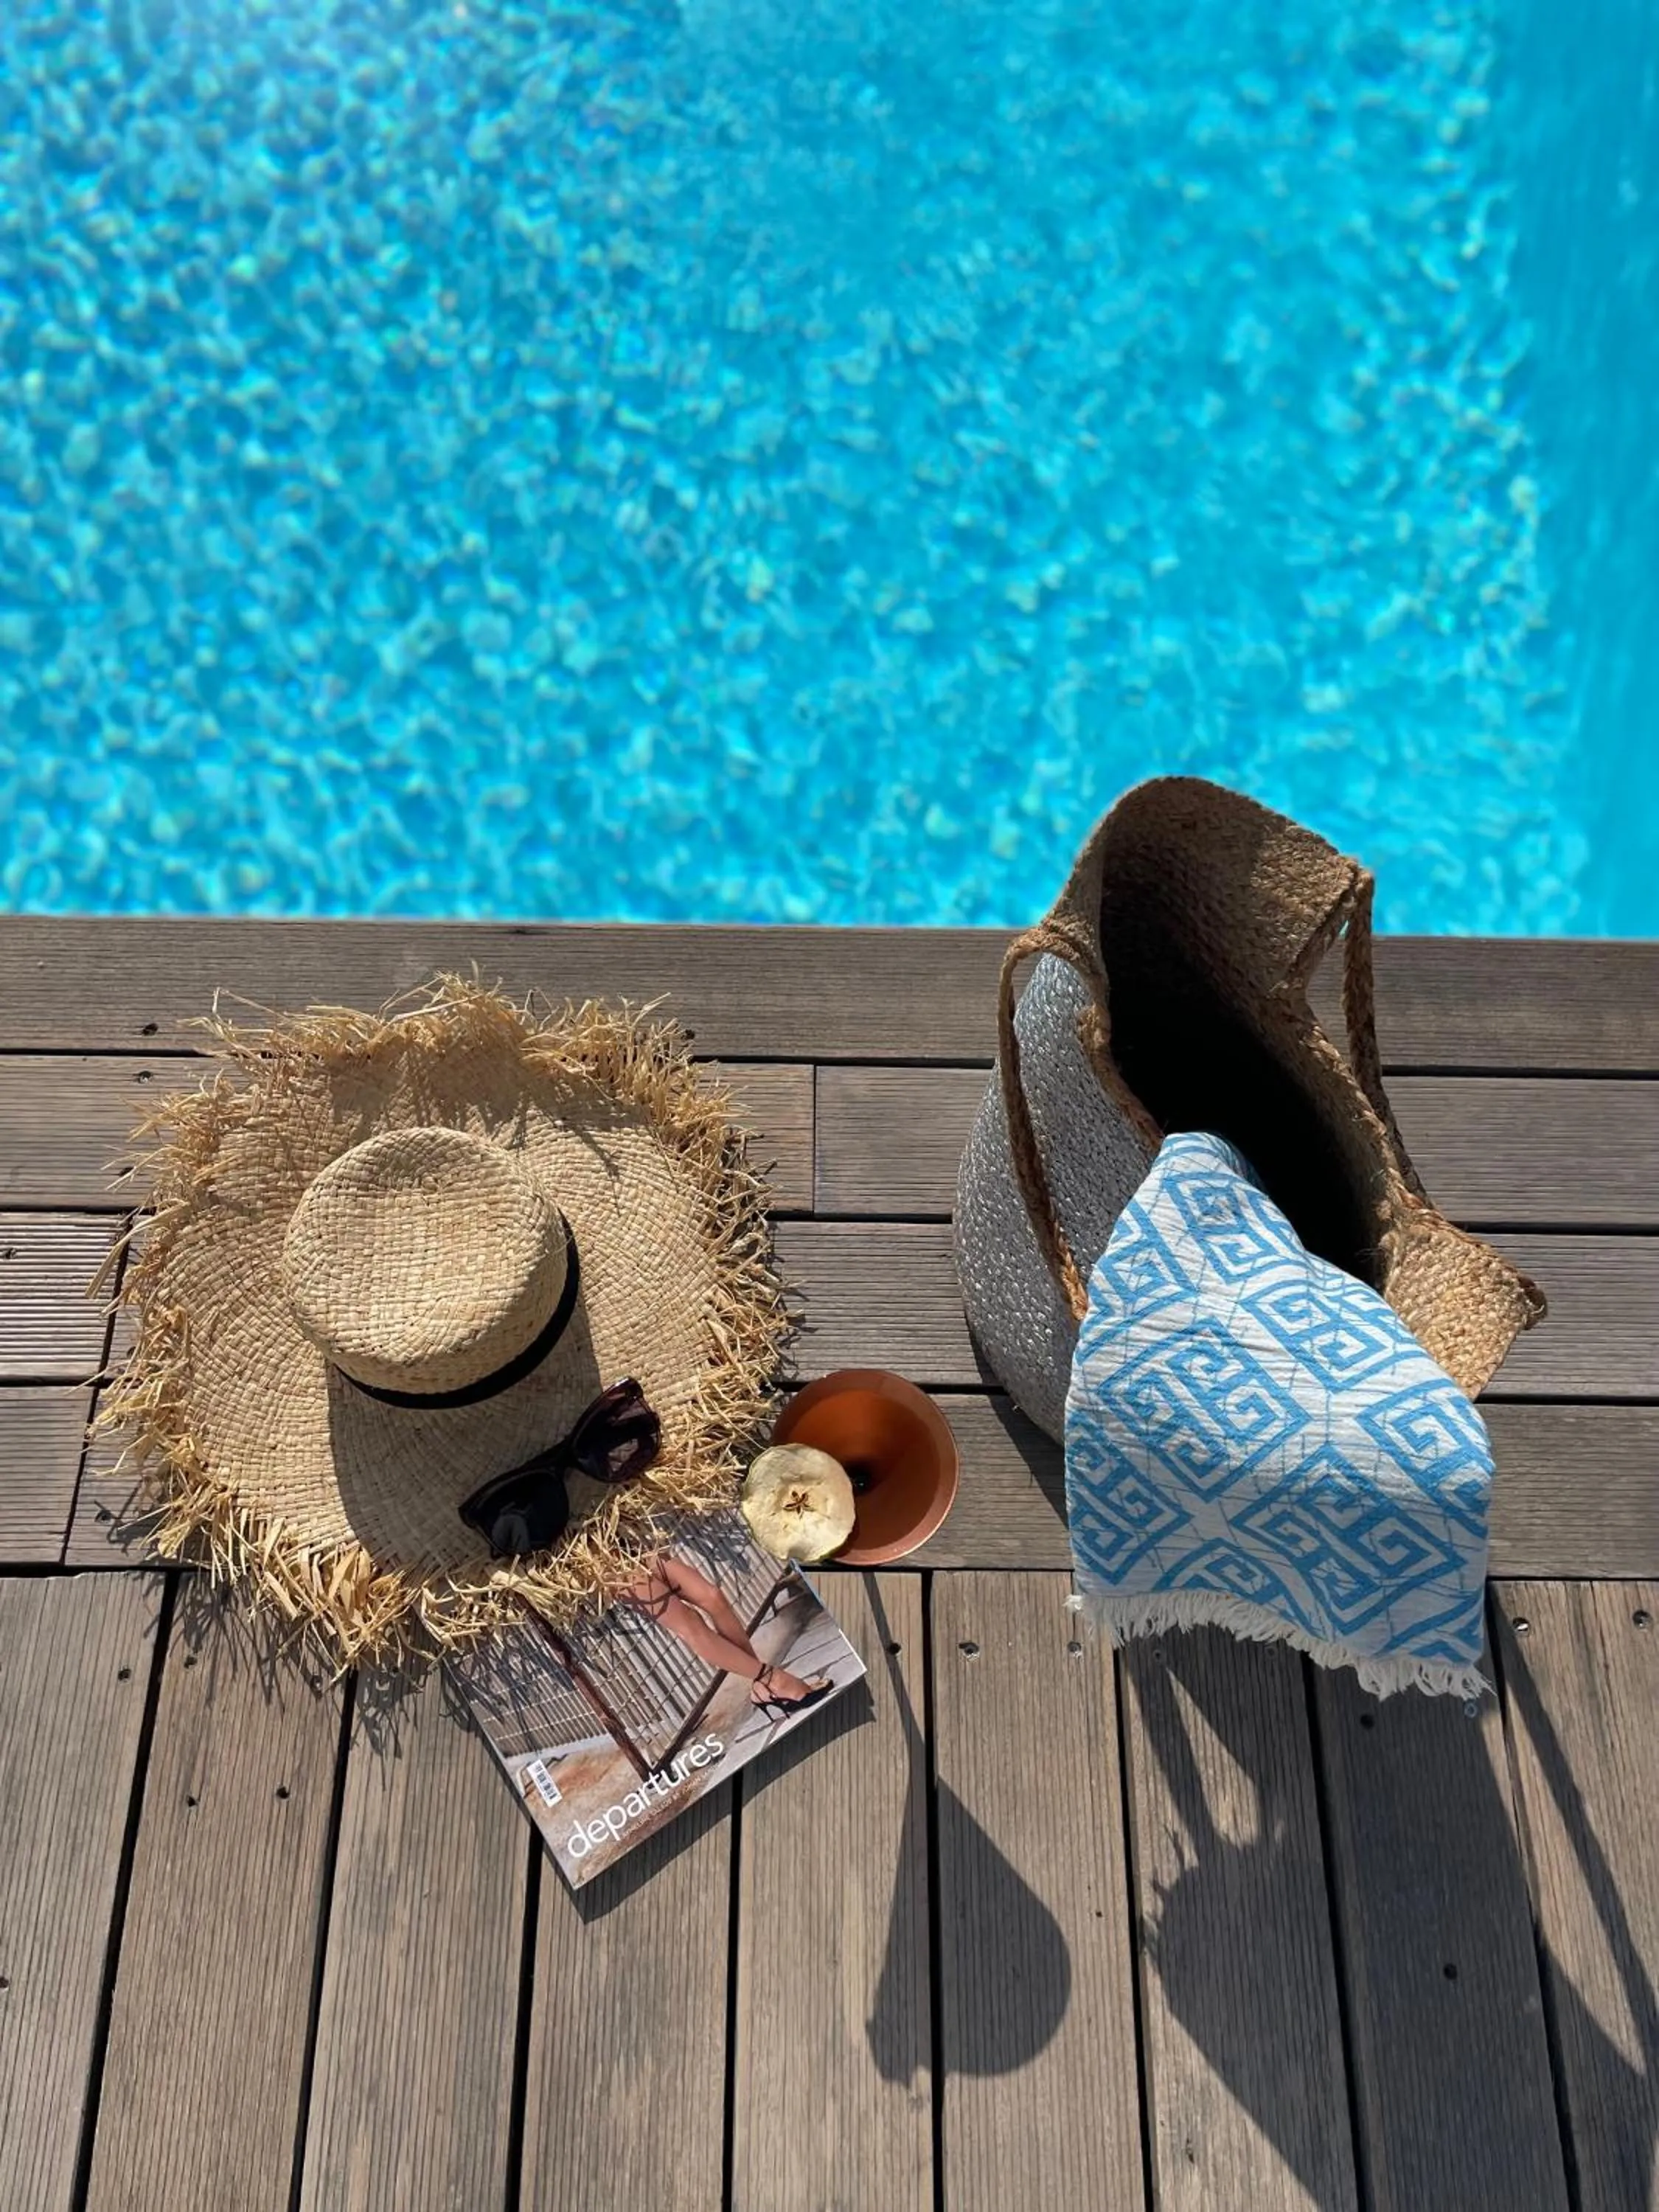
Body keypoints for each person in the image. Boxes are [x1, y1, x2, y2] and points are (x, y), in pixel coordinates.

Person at [623, 1552, 834, 1718]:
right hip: (605, 1563)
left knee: (713, 1597)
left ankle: (763, 1686)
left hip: (621, 1532)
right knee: (689, 1622)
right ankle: (774, 1679)